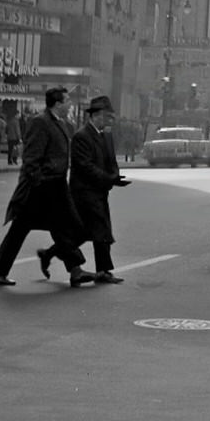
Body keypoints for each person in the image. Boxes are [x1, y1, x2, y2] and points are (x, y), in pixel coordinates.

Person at [0, 88, 95, 287]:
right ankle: (74, 269)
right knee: (53, 227)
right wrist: (38, 180)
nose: (70, 104)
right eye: (67, 100)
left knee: (62, 227)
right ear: (57, 103)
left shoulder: (59, 123)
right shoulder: (41, 122)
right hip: (43, 187)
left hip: (57, 184)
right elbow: (31, 158)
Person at [54, 94, 131, 284]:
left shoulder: (105, 135)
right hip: (84, 193)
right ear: (96, 116)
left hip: (99, 190)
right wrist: (108, 178)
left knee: (85, 232)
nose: (109, 121)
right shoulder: (82, 136)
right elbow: (85, 166)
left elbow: (110, 161)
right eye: (107, 117)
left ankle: (51, 254)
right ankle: (102, 270)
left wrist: (115, 177)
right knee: (101, 230)